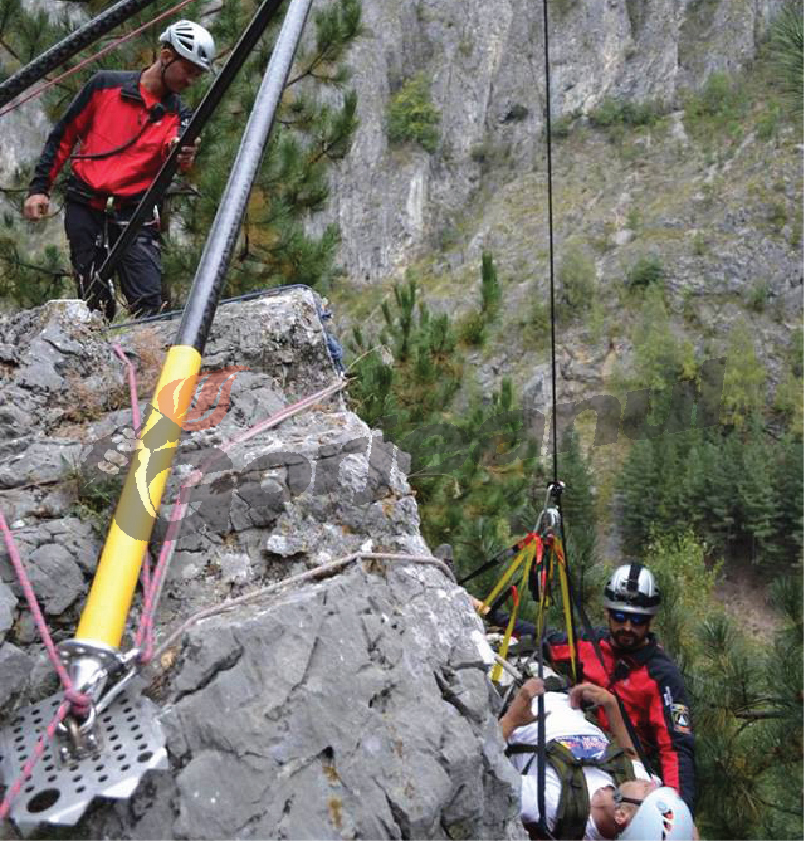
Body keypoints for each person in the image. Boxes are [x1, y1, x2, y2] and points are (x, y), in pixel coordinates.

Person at [24, 20, 215, 319]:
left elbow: (177, 148)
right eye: (188, 70)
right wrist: (39, 189)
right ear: (166, 56)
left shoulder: (180, 115)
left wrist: (182, 154)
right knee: (94, 302)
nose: (191, 80)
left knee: (149, 305)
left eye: (197, 75)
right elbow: (64, 136)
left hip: (135, 213)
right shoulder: (104, 86)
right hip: (85, 205)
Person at [478, 562, 696, 812]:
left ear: (650, 620)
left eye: (637, 620)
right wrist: (489, 613)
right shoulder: (592, 644)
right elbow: (544, 639)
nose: (627, 627)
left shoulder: (662, 676)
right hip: (575, 749)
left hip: (624, 771)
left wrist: (679, 811)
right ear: (607, 612)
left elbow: (675, 749)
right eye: (620, 617)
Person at [500, 675, 696, 840]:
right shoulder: (629, 787)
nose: (652, 782)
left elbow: (489, 776)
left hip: (518, 697)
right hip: (563, 694)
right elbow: (631, 756)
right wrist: (612, 706)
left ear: (621, 816)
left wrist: (512, 719)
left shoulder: (552, 803)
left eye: (648, 790)